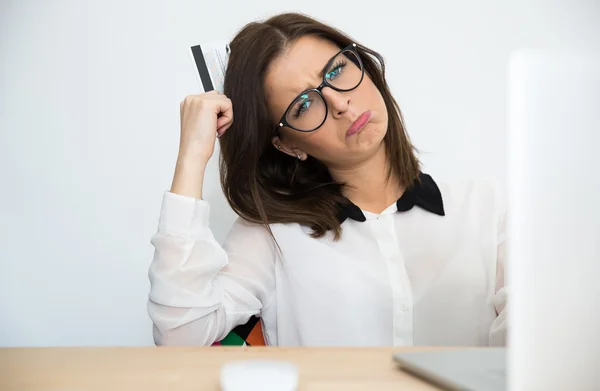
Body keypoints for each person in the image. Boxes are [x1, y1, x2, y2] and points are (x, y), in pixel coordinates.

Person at [147, 12, 507, 347]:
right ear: (287, 145)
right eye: (304, 105)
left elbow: (536, 343)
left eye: (335, 72)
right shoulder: (272, 236)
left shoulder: (486, 206)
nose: (338, 103)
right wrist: (193, 154)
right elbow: (181, 335)